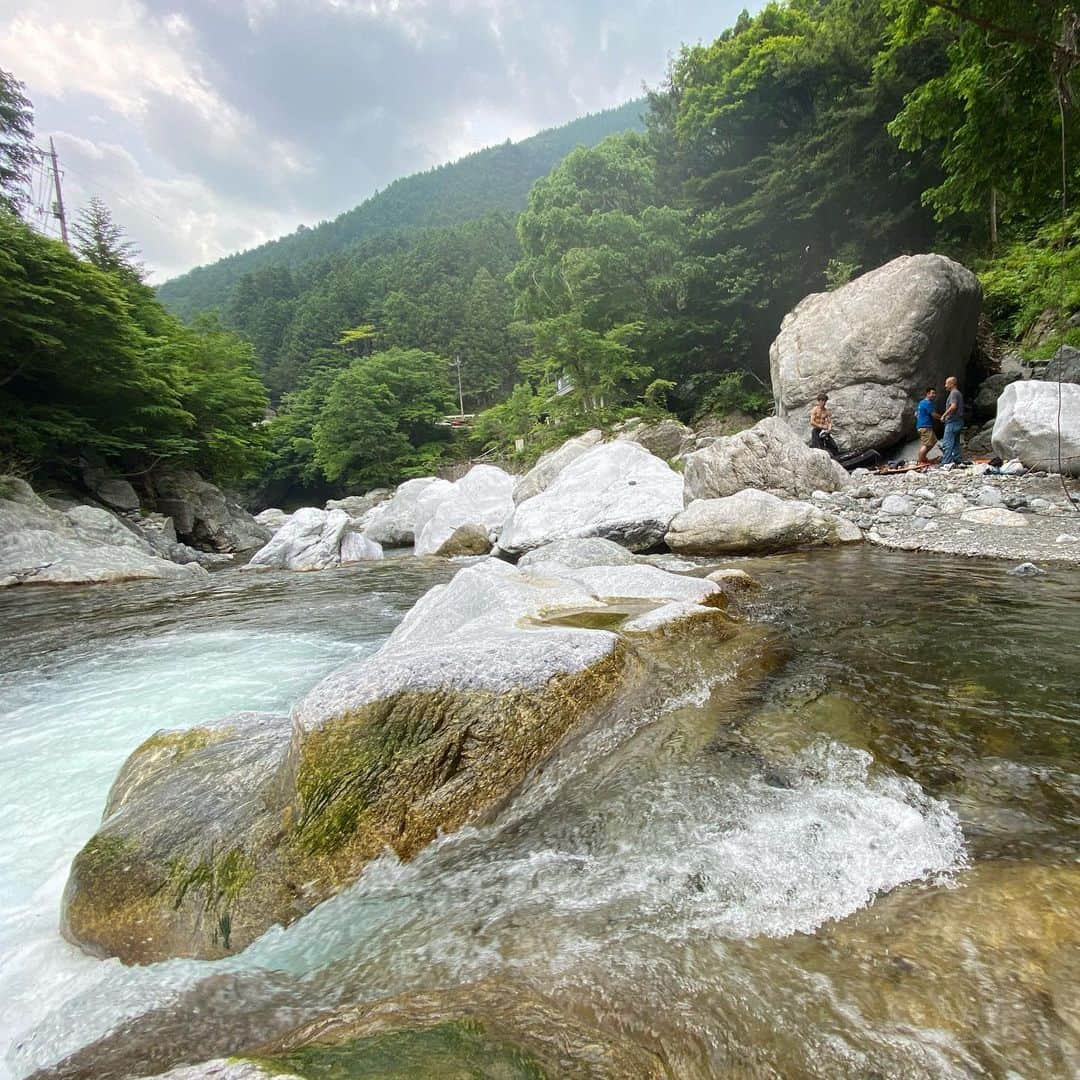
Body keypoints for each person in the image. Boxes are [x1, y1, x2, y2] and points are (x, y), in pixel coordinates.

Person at [939, 376, 965, 465]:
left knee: (947, 443)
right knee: (956, 442)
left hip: (952, 421)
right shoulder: (958, 393)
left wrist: (944, 415)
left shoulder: (953, 393)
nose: (945, 385)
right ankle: (957, 459)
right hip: (959, 421)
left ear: (952, 384)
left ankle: (945, 462)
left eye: (946, 383)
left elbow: (953, 406)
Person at [915, 386, 940, 465]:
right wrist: (942, 418)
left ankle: (923, 458)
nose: (934, 395)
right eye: (932, 393)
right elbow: (933, 414)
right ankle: (921, 460)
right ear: (927, 394)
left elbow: (916, 414)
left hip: (921, 426)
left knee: (933, 441)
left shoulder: (921, 402)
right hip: (925, 426)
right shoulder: (928, 403)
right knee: (926, 444)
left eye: (935, 393)